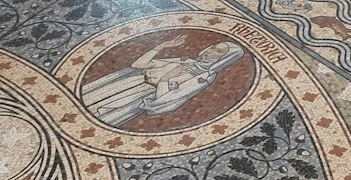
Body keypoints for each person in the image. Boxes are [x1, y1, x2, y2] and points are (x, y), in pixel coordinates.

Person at [79, 39, 247, 127]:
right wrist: (160, 46)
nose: (211, 52)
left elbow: (170, 99)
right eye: (213, 47)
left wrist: (167, 79)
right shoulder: (184, 61)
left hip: (138, 97)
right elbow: (138, 65)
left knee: (97, 116)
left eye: (219, 52)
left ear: (225, 58)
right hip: (128, 83)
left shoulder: (203, 77)